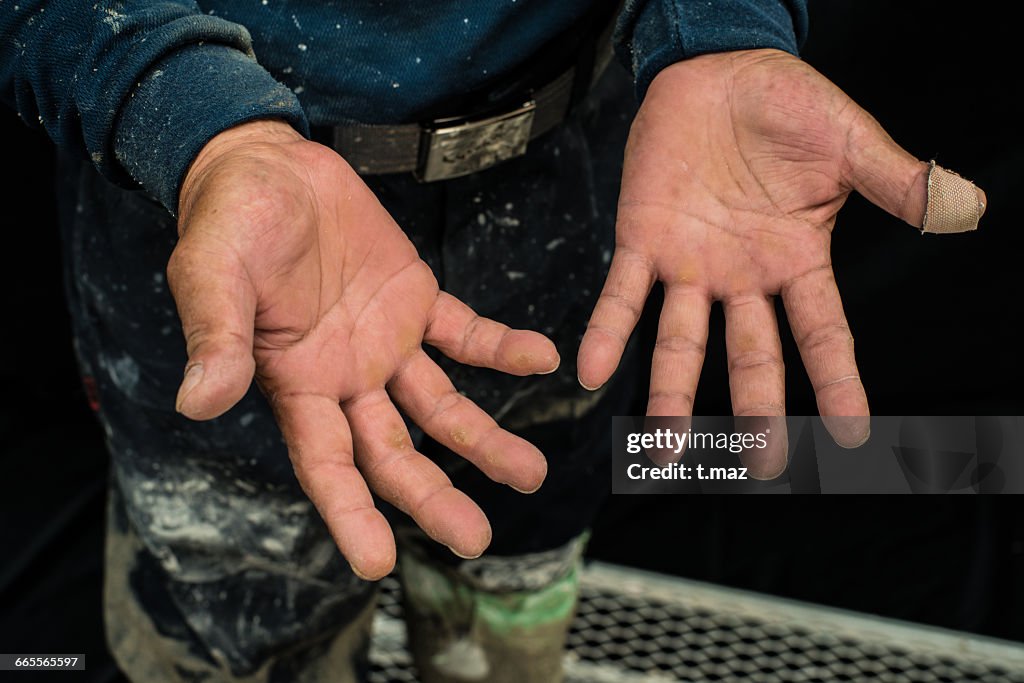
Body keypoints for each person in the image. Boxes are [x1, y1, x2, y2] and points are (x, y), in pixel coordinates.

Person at [1, 0, 985, 681]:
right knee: (236, 609)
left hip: (591, 169)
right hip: (229, 214)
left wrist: (718, 31)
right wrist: (205, 128)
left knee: (519, 538)